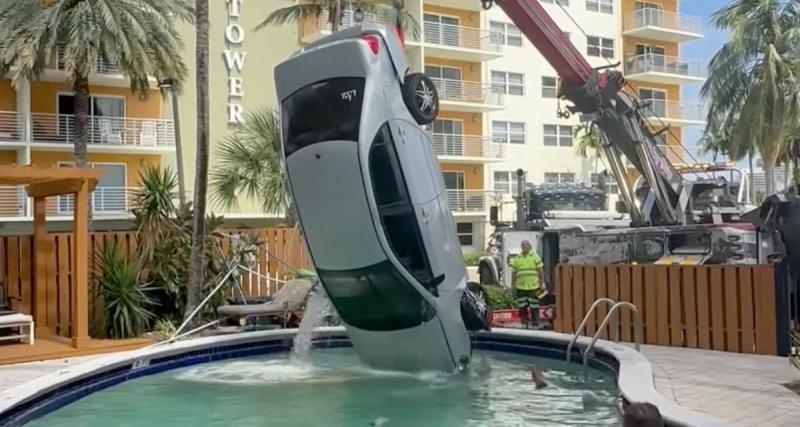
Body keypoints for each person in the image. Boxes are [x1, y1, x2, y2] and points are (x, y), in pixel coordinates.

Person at [509, 240, 545, 329]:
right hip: (520, 287)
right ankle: (524, 324)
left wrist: (542, 283)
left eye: (526, 245)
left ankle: (535, 324)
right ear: (521, 247)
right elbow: (514, 273)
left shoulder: (535, 256)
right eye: (523, 245)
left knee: (534, 307)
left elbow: (540, 271)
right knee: (522, 307)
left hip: (534, 286)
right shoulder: (517, 258)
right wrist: (512, 285)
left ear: (529, 246)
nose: (524, 247)